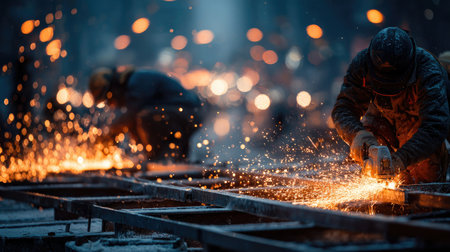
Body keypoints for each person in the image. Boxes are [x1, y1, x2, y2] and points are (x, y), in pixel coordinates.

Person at [332, 27, 450, 184]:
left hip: (419, 128)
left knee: (422, 174)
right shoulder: (363, 63)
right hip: (385, 120)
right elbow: (343, 109)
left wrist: (401, 159)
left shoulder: (428, 72)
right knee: (370, 135)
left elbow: (434, 128)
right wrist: (357, 135)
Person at [89, 66, 204, 162]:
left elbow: (130, 116)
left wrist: (108, 134)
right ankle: (174, 160)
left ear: (114, 88)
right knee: (139, 119)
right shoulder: (132, 86)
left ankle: (160, 159)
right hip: (182, 114)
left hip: (189, 114)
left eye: (109, 99)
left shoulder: (137, 81)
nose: (111, 104)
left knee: (145, 116)